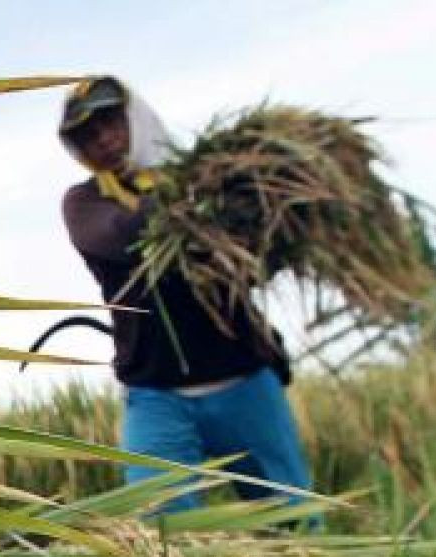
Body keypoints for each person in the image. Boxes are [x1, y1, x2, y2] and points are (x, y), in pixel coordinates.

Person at [57, 75, 312, 510]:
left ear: (135, 119)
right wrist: (192, 198)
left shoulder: (204, 183)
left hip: (244, 380)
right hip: (157, 395)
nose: (104, 140)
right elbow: (124, 234)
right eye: (88, 136)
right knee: (161, 527)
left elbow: (259, 260)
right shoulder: (87, 204)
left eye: (111, 123)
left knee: (296, 519)